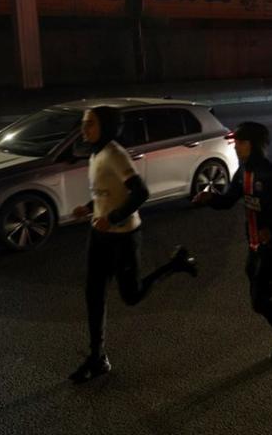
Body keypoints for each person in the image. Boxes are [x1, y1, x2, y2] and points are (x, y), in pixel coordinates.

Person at [69, 106, 198, 383]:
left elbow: (140, 192)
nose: (84, 130)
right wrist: (90, 208)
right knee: (94, 295)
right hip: (99, 235)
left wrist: (113, 218)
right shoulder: (96, 154)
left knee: (132, 296)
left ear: (106, 126)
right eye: (84, 124)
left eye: (90, 124)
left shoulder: (115, 153)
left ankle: (177, 263)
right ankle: (97, 358)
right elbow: (108, 192)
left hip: (124, 236)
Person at [192, 121, 272, 361]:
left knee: (260, 302)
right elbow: (228, 201)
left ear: (253, 145)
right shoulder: (243, 173)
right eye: (236, 142)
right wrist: (210, 197)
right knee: (262, 301)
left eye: (241, 143)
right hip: (255, 247)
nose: (236, 147)